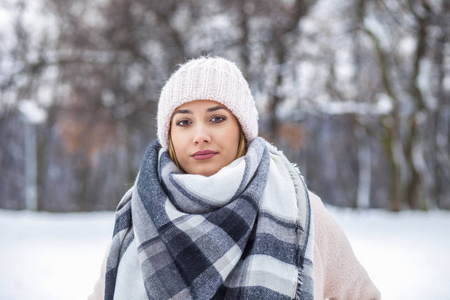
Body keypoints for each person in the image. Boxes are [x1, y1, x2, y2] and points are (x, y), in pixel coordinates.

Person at [89, 56, 380, 300]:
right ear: (170, 136)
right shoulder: (138, 214)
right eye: (184, 122)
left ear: (242, 128)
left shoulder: (300, 212)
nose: (200, 136)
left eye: (217, 118)